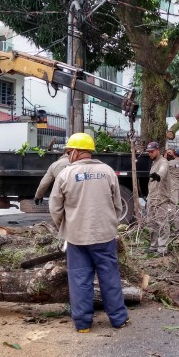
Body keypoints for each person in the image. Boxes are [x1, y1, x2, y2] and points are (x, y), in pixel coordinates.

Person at [49, 133, 129, 333]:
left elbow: (55, 208)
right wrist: (110, 223)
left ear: (76, 152)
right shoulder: (108, 171)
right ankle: (118, 319)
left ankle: (83, 324)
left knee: (80, 279)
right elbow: (118, 205)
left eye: (69, 152)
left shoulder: (65, 175)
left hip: (77, 237)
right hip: (104, 235)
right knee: (109, 276)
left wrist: (66, 226)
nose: (68, 156)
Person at [145, 141, 174, 255]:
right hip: (152, 197)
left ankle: (162, 248)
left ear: (158, 150)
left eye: (152, 152)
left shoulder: (163, 162)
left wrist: (158, 176)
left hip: (161, 198)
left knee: (162, 223)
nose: (150, 154)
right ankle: (154, 246)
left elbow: (162, 170)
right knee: (151, 223)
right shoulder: (154, 163)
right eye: (148, 152)